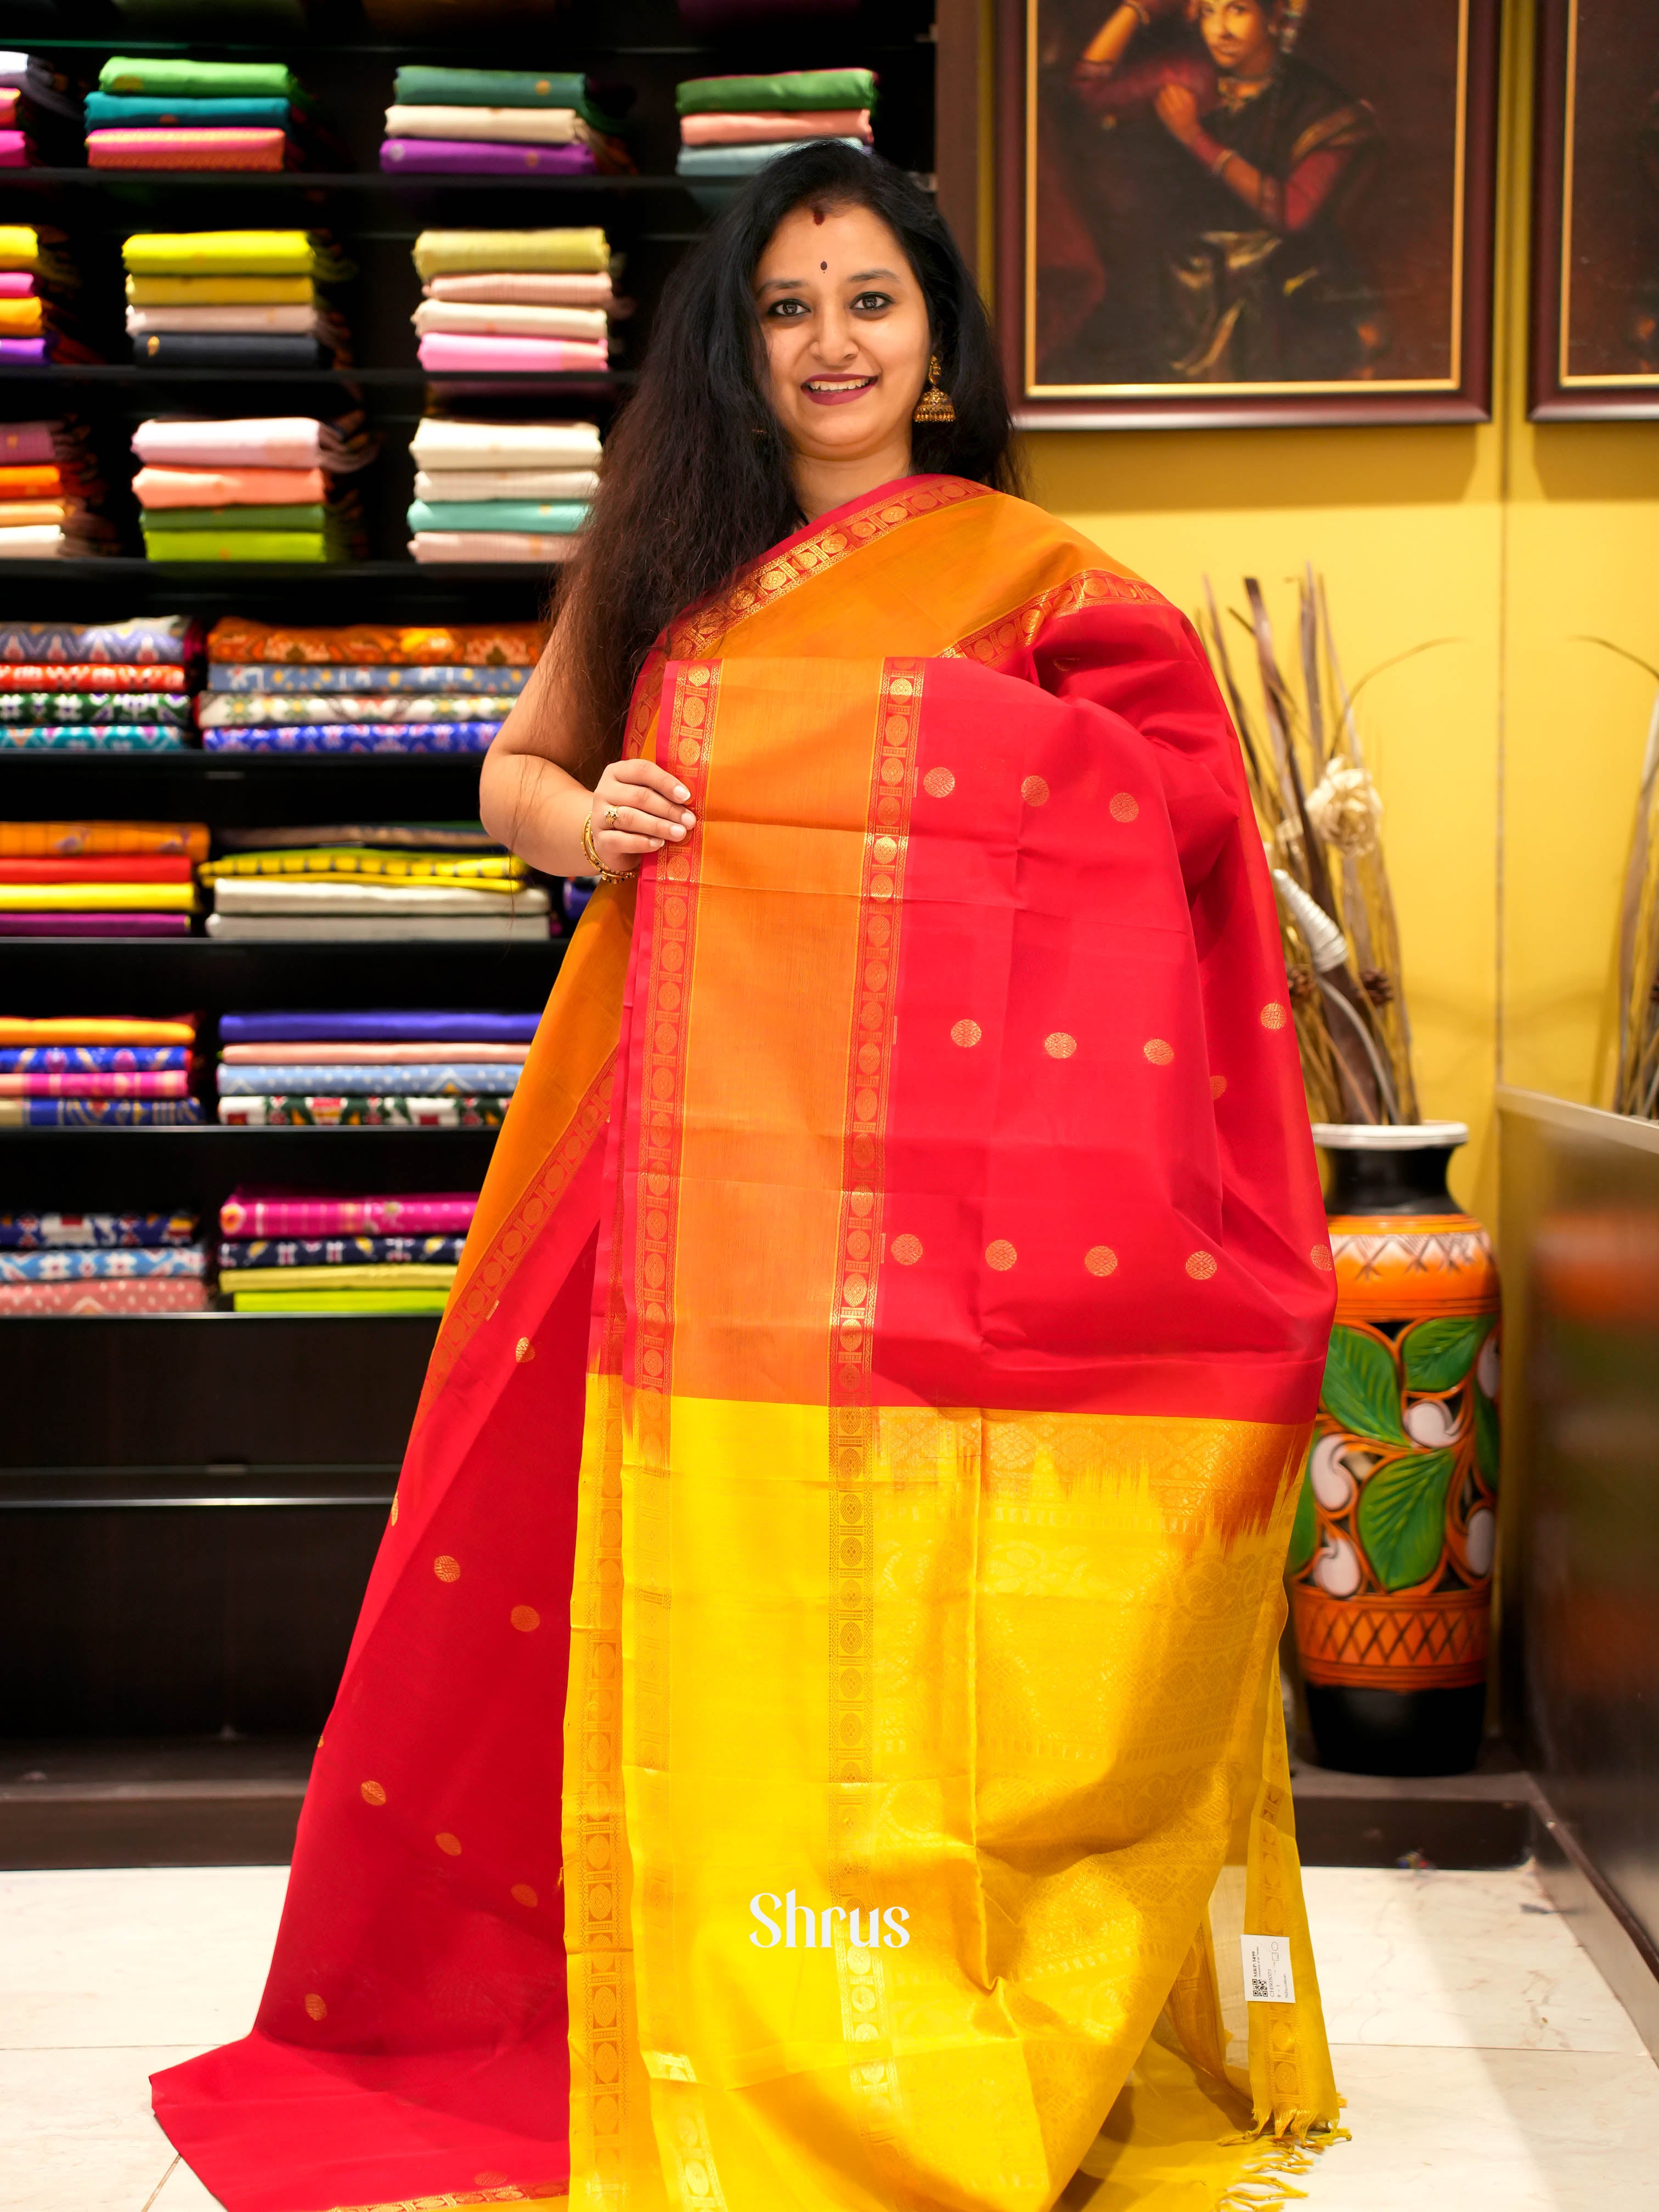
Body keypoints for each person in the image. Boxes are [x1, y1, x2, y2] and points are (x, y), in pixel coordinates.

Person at [152, 143, 1344, 2212]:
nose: (828, 343)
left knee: (899, 1596)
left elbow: (1170, 821)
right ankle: (689, 1963)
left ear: (937, 339)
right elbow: (510, 775)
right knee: (677, 1566)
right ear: (737, 338)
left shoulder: (1034, 584)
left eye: (867, 301)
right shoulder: (664, 561)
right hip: (685, 1166)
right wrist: (585, 817)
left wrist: (956, 774)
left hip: (940, 1202)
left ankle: (897, 1971)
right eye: (787, 306)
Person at [1044, 0, 1380, 382]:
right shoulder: (1189, 76)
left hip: (1282, 287)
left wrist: (1194, 138)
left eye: (1237, 10)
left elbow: (1291, 211)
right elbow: (1086, 89)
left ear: (1273, 17)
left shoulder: (1320, 104)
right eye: (1208, 12)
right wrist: (1136, 11)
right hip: (1184, 286)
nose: (1219, 29)